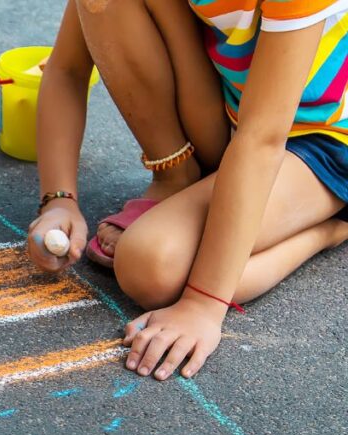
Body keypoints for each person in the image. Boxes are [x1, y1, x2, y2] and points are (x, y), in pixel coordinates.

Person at [26, 0, 348, 380]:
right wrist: (58, 202)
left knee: (152, 268)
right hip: (237, 121)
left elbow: (263, 139)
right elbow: (66, 69)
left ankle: (329, 230)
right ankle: (176, 178)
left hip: (324, 145)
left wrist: (202, 304)